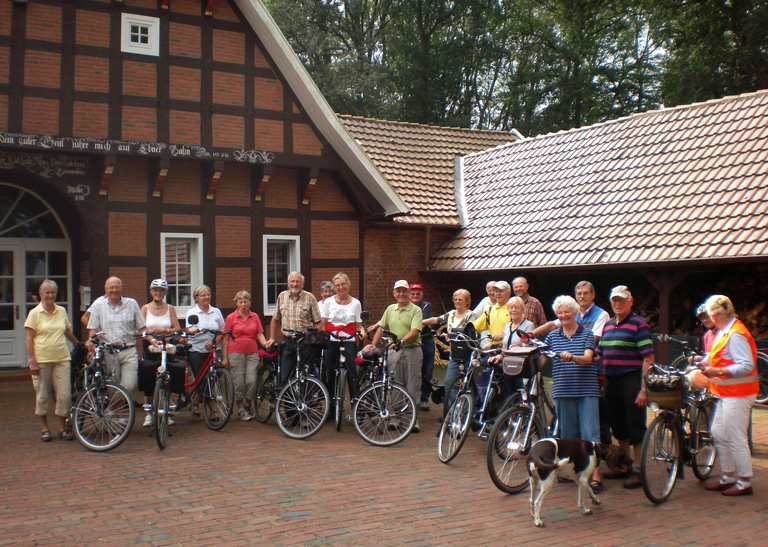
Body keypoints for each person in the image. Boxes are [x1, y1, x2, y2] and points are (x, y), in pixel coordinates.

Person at [697, 295, 758, 496]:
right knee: (719, 433)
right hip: (726, 392)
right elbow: (720, 355)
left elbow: (746, 365)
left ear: (715, 315)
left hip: (738, 393)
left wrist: (718, 372)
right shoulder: (726, 330)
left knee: (734, 435)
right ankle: (729, 476)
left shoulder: (735, 334)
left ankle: (744, 481)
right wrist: (703, 361)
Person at [595, 285, 654, 489]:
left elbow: (648, 358)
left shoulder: (639, 324)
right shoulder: (608, 325)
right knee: (619, 427)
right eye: (615, 300)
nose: (618, 304)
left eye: (622, 300)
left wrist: (643, 389)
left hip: (632, 379)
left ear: (631, 301)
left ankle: (638, 469)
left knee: (635, 425)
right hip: (611, 381)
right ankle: (624, 465)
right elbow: (598, 354)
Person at [544, 296, 599, 483]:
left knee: (590, 434)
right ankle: (572, 473)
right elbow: (542, 360)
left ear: (575, 313)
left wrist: (573, 357)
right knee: (568, 435)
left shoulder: (587, 334)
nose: (563, 315)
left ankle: (594, 476)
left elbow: (587, 359)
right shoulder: (552, 336)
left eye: (566, 311)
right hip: (562, 390)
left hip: (586, 390)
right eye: (559, 312)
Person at [24, 280, 80, 442]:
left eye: (52, 292)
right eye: (47, 292)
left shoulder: (61, 311)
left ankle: (62, 428)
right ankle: (44, 428)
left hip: (62, 358)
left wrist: (78, 344)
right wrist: (32, 361)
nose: (50, 295)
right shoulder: (35, 313)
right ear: (41, 294)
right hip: (41, 360)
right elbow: (29, 339)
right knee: (42, 396)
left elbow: (67, 331)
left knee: (64, 395)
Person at [364, 279, 423, 432]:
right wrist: (374, 345)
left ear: (409, 293)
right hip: (393, 352)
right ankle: (395, 418)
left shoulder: (416, 310)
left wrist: (401, 342)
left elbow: (415, 330)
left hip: (412, 350)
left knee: (412, 385)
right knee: (395, 384)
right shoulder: (390, 309)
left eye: (404, 291)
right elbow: (381, 328)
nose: (401, 294)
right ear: (394, 293)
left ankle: (413, 419)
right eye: (398, 291)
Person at [87, 276, 160, 392]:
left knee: (129, 385)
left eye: (117, 287)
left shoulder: (131, 303)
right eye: (111, 287)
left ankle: (113, 408)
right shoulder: (98, 305)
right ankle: (114, 409)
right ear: (105, 289)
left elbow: (142, 327)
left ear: (122, 288)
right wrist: (91, 339)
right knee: (112, 386)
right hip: (109, 352)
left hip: (128, 351)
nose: (114, 290)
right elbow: (93, 328)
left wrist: (152, 340)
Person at [423, 289, 476, 411]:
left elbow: (470, 332)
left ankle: (468, 411)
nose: (457, 302)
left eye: (460, 300)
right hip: (454, 355)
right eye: (456, 299)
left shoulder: (471, 315)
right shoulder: (451, 314)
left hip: (467, 354)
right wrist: (420, 322)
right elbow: (436, 320)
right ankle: (452, 411)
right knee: (449, 382)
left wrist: (451, 335)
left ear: (467, 301)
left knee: (468, 384)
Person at [266, 271, 322, 385]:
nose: (294, 284)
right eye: (292, 281)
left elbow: (318, 322)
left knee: (306, 376)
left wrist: (315, 339)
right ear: (288, 283)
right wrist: (271, 337)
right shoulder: (282, 296)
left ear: (302, 284)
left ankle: (304, 400)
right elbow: (275, 319)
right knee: (284, 377)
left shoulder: (310, 297)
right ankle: (285, 401)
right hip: (288, 342)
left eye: (297, 282)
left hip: (305, 342)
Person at [140, 279, 181, 427]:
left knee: (166, 377)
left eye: (161, 290)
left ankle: (166, 411)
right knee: (148, 377)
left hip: (166, 345)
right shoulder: (145, 308)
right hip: (149, 346)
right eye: (155, 290)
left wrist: (164, 331)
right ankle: (149, 414)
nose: (158, 293)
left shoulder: (170, 308)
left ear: (165, 292)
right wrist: (151, 339)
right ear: (151, 292)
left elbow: (176, 328)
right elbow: (140, 328)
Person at [222, 291, 268, 421]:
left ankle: (248, 404)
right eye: (240, 302)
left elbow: (259, 333)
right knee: (238, 382)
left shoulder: (254, 317)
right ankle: (241, 408)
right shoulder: (231, 317)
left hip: (252, 351)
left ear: (249, 302)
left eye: (245, 302)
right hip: (235, 352)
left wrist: (265, 345)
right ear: (236, 303)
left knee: (252, 380)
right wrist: (225, 358)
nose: (243, 304)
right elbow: (225, 338)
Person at [321, 272, 364, 398]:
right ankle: (331, 406)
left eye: (343, 284)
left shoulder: (356, 303)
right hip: (332, 339)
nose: (341, 287)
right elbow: (323, 324)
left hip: (348, 340)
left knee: (352, 373)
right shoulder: (328, 302)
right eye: (338, 285)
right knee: (330, 373)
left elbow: (358, 325)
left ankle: (355, 404)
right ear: (334, 287)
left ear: (348, 284)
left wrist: (362, 332)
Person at [185, 285, 225, 417]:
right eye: (203, 295)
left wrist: (215, 341)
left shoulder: (216, 312)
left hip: (213, 350)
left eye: (208, 294)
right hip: (197, 350)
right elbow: (190, 328)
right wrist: (192, 330)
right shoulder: (192, 313)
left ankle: (195, 401)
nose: (206, 297)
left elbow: (222, 331)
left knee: (211, 379)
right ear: (196, 298)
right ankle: (213, 410)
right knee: (202, 380)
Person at [410, 283, 435, 411]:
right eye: (413, 293)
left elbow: (421, 324)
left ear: (422, 295)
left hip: (426, 340)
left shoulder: (426, 306)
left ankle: (424, 399)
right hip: (412, 342)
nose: (415, 296)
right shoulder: (406, 307)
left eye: (417, 294)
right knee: (413, 372)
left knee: (427, 371)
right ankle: (412, 398)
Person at [473, 281, 512, 349]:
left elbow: (519, 329)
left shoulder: (513, 309)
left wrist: (503, 335)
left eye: (501, 291)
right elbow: (475, 327)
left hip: (509, 349)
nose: (498, 294)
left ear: (508, 293)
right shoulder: (490, 310)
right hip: (493, 349)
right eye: (496, 291)